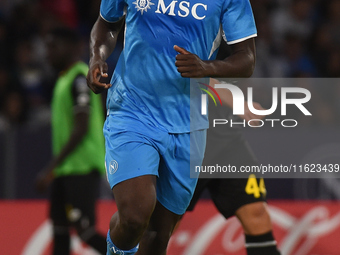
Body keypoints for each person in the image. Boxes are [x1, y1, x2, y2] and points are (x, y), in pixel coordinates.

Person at [86, 0, 257, 254]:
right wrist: (97, 57)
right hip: (132, 110)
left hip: (188, 122)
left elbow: (247, 59)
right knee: (134, 216)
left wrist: (207, 67)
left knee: (157, 233)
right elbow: (107, 25)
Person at [183, 41, 282, 255]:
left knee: (256, 212)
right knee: (160, 224)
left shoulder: (237, 26)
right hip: (187, 141)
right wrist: (236, 101)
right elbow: (178, 68)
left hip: (228, 142)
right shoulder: (185, 18)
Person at [35, 27, 107, 255]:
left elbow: (81, 127)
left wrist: (50, 168)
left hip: (81, 167)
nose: (48, 53)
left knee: (85, 231)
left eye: (53, 47)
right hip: (66, 170)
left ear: (72, 48)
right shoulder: (63, 79)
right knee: (60, 230)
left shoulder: (79, 77)